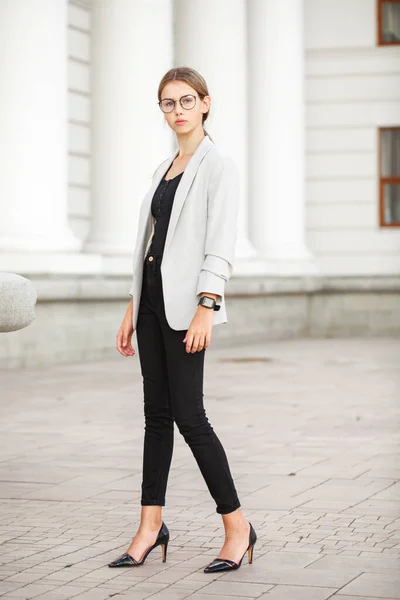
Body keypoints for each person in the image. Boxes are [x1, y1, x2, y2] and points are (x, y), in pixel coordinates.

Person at [108, 67, 257, 573]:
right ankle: (151, 525)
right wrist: (132, 305)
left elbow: (220, 242)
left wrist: (206, 306)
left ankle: (237, 526)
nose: (177, 111)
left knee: (191, 417)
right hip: (150, 304)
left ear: (206, 104)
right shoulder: (164, 168)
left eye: (186, 101)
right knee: (155, 418)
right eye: (168, 103)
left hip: (187, 307)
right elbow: (153, 244)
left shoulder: (220, 167)